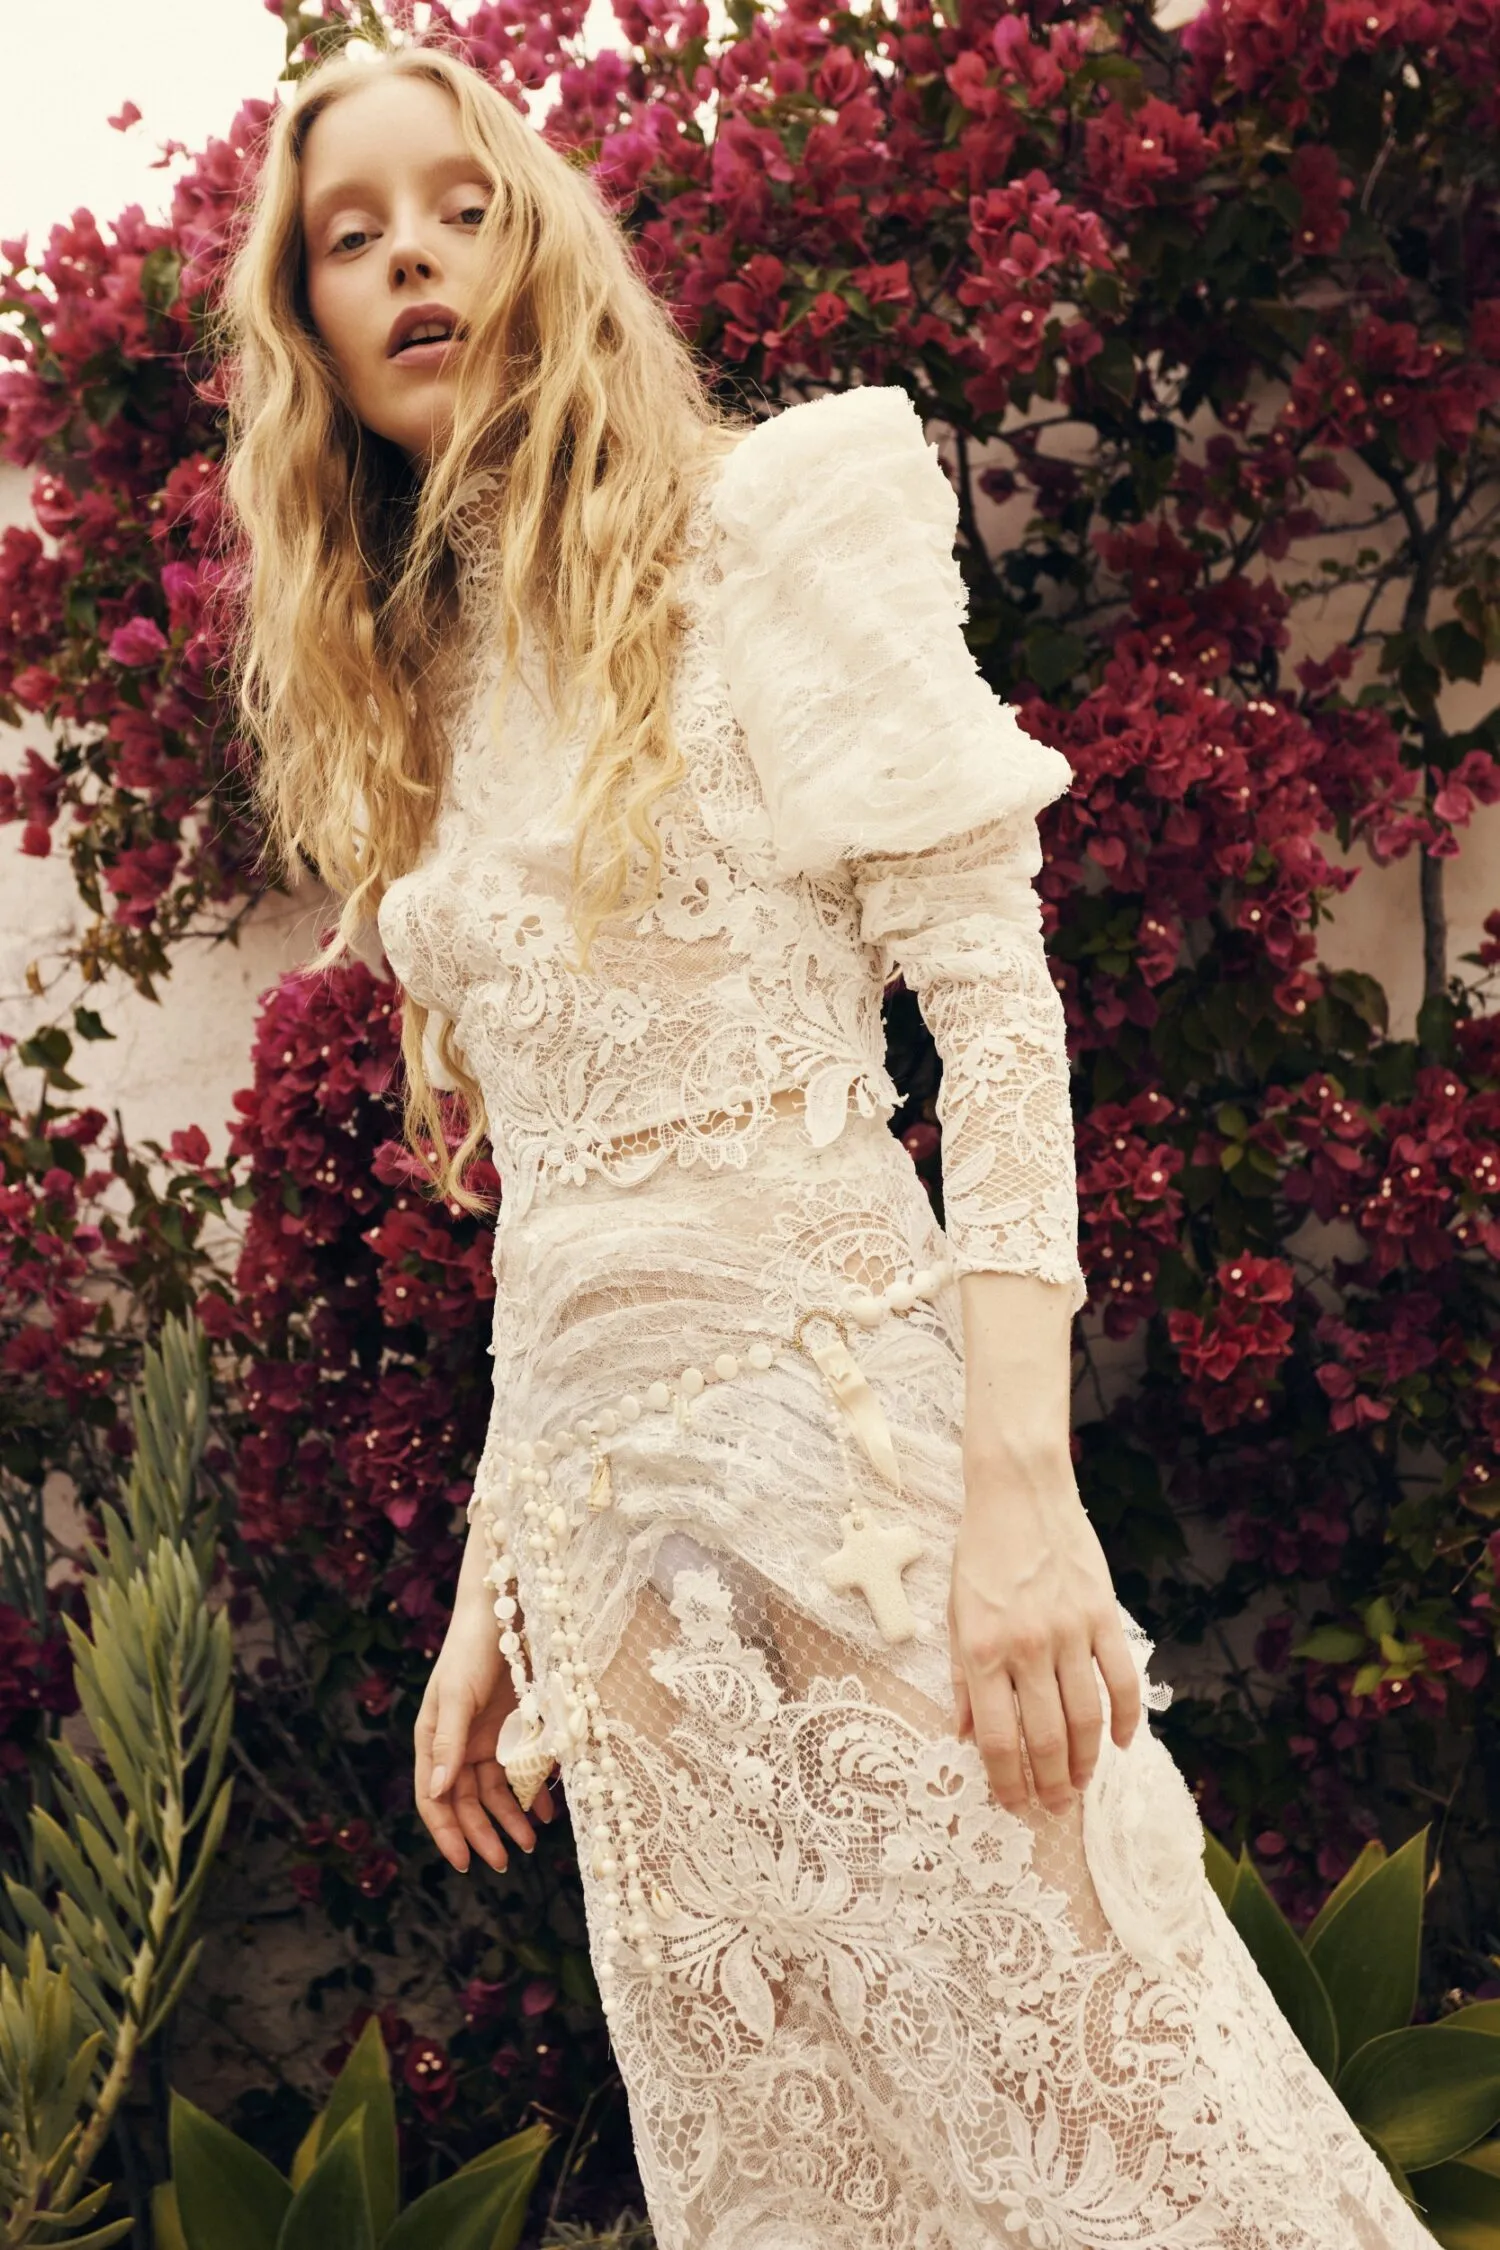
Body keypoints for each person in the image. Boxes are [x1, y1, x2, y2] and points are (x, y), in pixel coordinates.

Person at [213, 30, 1438, 2250]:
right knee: (812, 2182)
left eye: (463, 208)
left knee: (1126, 2122)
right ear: (303, 327)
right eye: (350, 237)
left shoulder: (763, 531)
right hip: (626, 1579)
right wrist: (500, 1594)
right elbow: (569, 1200)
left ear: (548, 245)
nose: (412, 261)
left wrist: (1026, 1499)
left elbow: (995, 1009)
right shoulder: (420, 697)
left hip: (868, 1492)